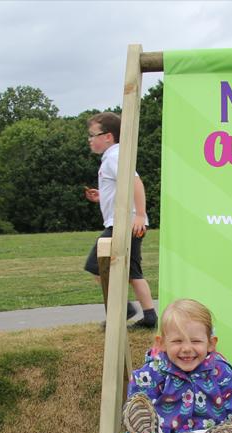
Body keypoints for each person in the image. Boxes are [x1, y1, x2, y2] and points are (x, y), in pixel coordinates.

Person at [117, 298, 232, 433]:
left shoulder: (220, 372)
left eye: (196, 341)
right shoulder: (151, 374)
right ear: (162, 343)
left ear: (211, 343)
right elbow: (137, 413)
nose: (187, 348)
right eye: (178, 341)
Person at [83, 111, 158, 329]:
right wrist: (102, 197)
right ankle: (150, 317)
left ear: (108, 136)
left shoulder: (113, 157)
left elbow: (136, 183)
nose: (90, 139)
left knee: (95, 266)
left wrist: (140, 216)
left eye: (92, 134)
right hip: (128, 222)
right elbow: (121, 188)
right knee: (134, 272)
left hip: (124, 224)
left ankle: (123, 309)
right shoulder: (113, 157)